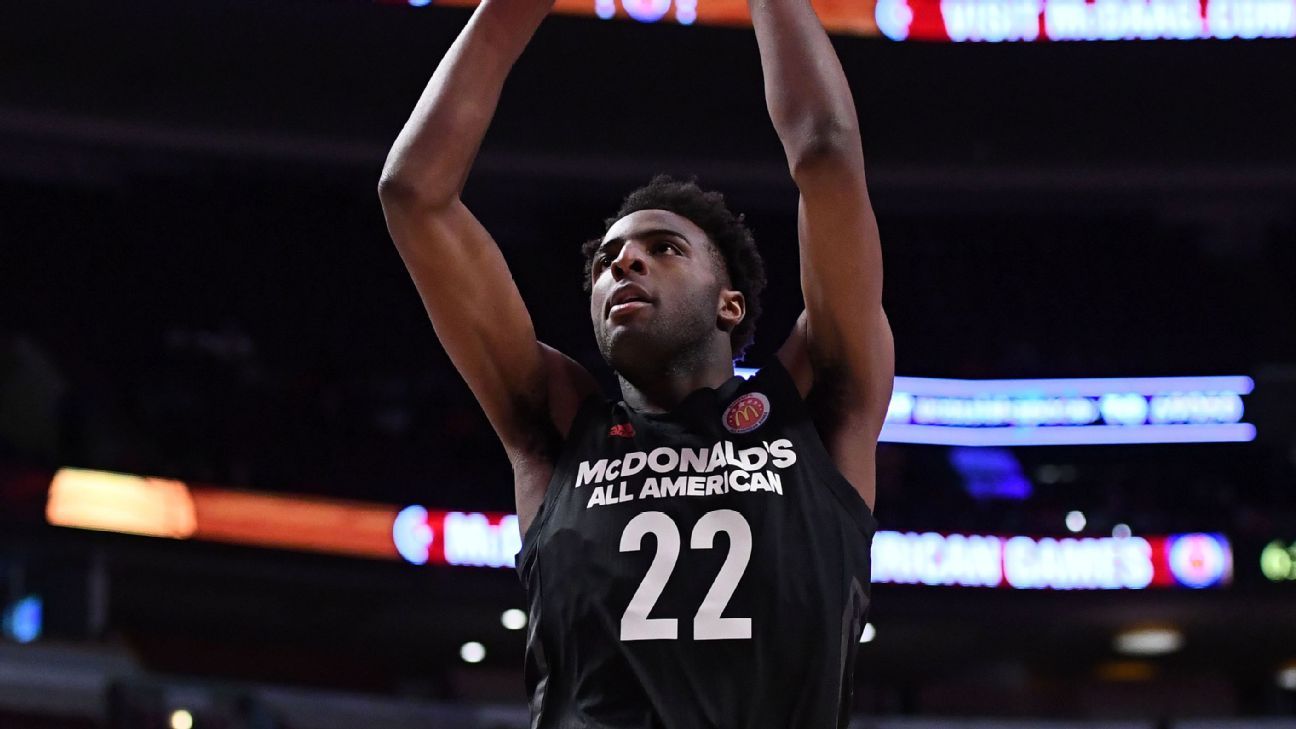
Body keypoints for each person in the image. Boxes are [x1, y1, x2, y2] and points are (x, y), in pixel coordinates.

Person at [377, 0, 895, 723]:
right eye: (607, 262)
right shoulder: (555, 427)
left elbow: (827, 155)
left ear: (730, 305)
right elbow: (413, 194)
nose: (624, 263)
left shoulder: (816, 406)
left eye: (663, 248)